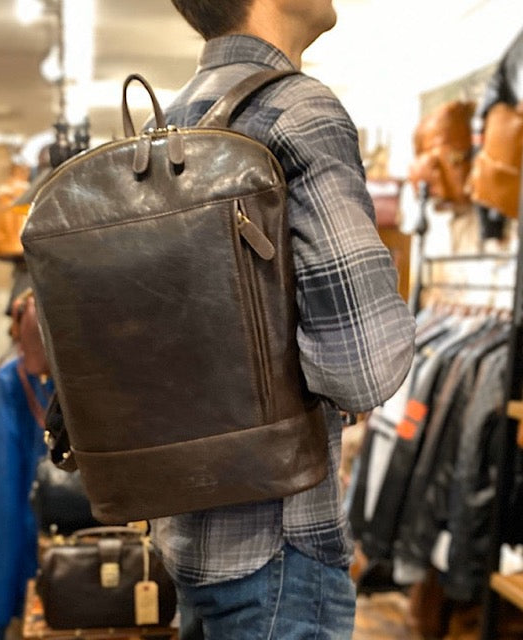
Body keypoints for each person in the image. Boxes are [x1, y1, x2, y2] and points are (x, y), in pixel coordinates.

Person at [150, 1, 416, 639]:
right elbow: (364, 369)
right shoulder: (297, 112)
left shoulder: (170, 123)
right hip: (280, 547)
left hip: (188, 533)